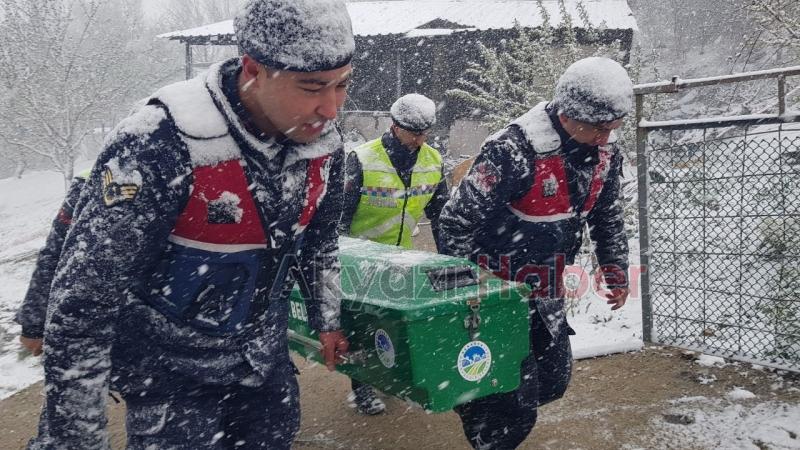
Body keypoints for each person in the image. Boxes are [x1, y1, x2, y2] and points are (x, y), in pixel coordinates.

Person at [28, 0, 354, 448]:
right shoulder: (158, 143)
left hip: (262, 365)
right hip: (170, 373)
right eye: (313, 87)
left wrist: (327, 317)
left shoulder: (324, 144)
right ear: (253, 68)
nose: (331, 108)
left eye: (343, 85)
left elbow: (318, 242)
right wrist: (75, 438)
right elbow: (83, 305)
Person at [439, 57, 632, 449]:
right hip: (495, 288)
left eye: (612, 129)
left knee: (552, 379)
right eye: (598, 128)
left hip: (546, 285)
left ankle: (485, 407)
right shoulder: (511, 151)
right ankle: (486, 426)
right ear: (567, 113)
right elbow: (454, 222)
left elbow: (608, 214)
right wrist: (468, 290)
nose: (605, 137)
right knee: (511, 399)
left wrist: (615, 268)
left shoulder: (605, 154)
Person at [339, 93, 449, 414]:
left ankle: (387, 379)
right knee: (360, 328)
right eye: (413, 132)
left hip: (403, 258)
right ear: (394, 125)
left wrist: (447, 260)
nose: (419, 139)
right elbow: (340, 218)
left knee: (395, 326)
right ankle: (362, 388)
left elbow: (443, 217)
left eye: (424, 132)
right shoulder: (362, 159)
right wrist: (341, 260)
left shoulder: (433, 161)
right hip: (361, 259)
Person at [16, 169, 90, 357]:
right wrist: (33, 323)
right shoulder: (90, 181)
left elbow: (53, 252)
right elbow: (55, 252)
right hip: (85, 319)